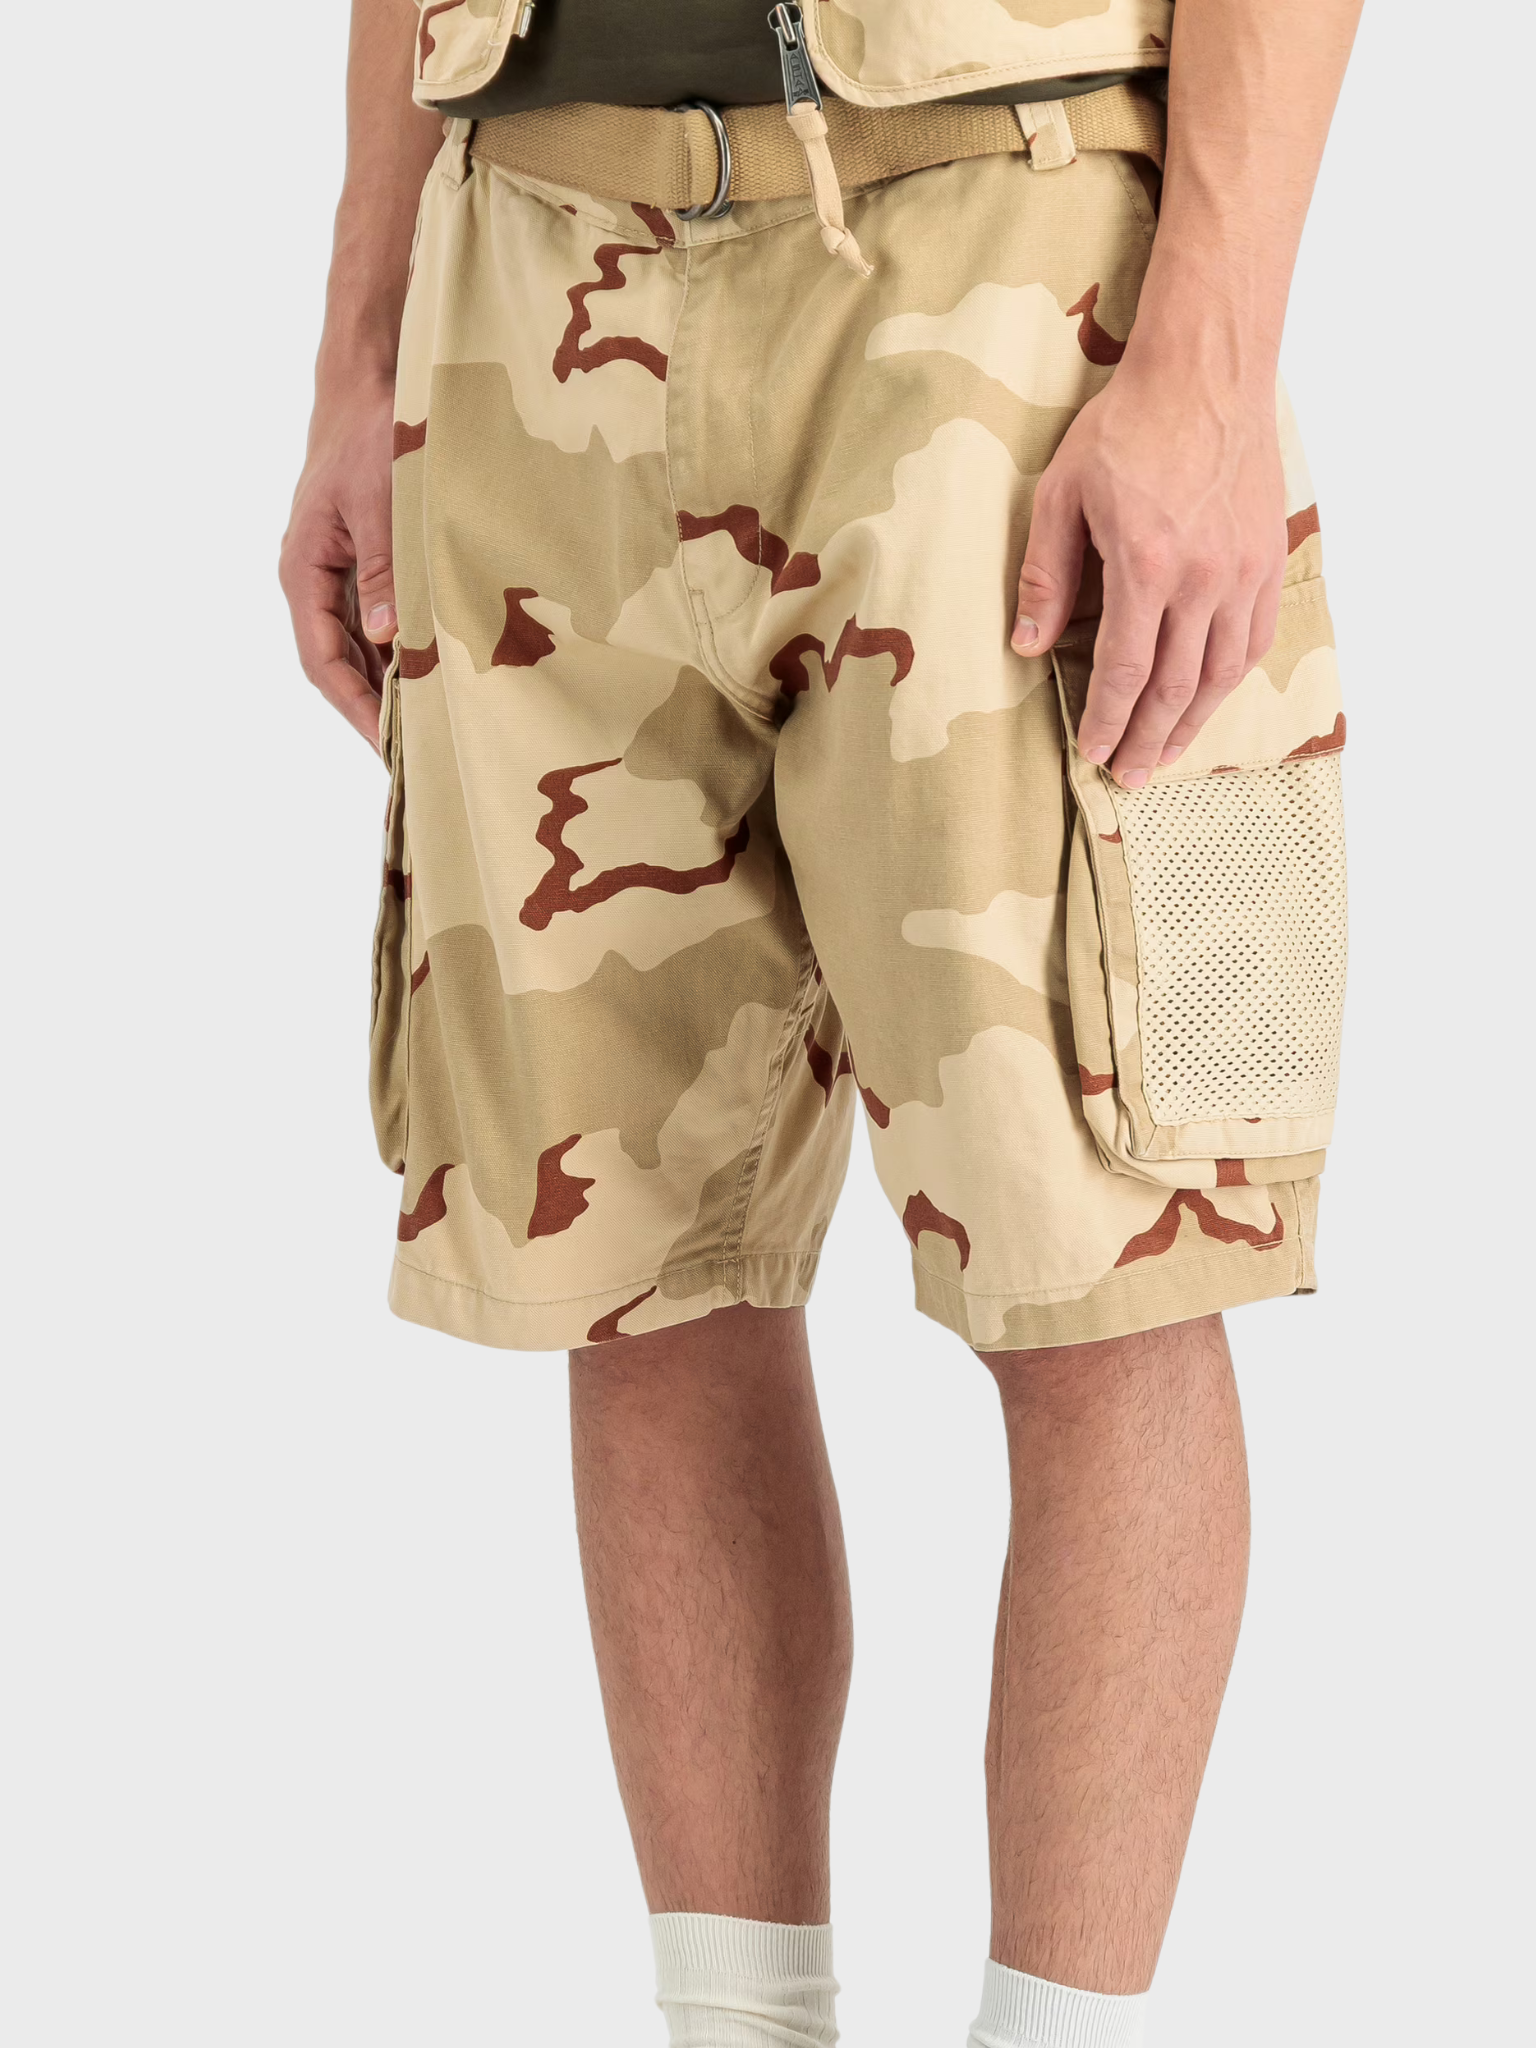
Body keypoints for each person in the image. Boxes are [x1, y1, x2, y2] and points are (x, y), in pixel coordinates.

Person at [280, 1, 1360, 2040]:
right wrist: (362, 338)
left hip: (1003, 256)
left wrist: (1208, 357)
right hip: (528, 256)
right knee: (635, 1267)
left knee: (1102, 1258)